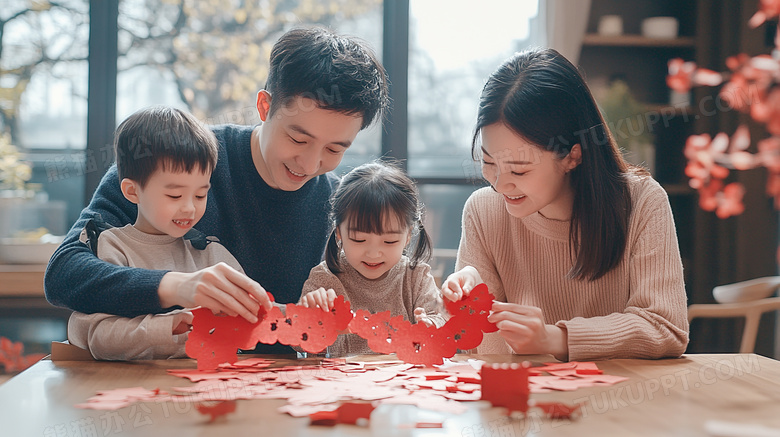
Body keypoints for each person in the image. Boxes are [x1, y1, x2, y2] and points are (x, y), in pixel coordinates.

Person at [45, 27, 390, 354]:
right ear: (265, 107)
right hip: (162, 390)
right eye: (298, 139)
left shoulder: (340, 207)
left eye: (334, 150)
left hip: (279, 397)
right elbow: (65, 275)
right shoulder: (179, 162)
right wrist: (177, 286)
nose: (310, 164)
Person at [440, 48, 689, 361]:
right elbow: (471, 346)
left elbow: (665, 328)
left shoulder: (641, 202)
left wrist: (554, 338)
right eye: (488, 162)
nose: (499, 183)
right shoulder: (484, 210)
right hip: (519, 403)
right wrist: (464, 304)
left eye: (519, 169)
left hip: (617, 401)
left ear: (573, 155)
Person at [68, 106, 247, 360]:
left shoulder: (211, 255)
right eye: (174, 195)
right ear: (132, 192)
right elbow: (97, 337)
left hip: (202, 389)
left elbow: (255, 319)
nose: (189, 207)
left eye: (200, 194)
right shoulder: (114, 248)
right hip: (132, 391)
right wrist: (166, 327)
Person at [298, 161, 446, 356]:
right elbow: (299, 344)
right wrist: (309, 319)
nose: (373, 254)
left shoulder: (416, 276)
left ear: (408, 235)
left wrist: (430, 326)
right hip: (343, 383)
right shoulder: (324, 279)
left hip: (402, 383)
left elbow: (442, 323)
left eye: (389, 241)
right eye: (359, 240)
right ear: (339, 233)